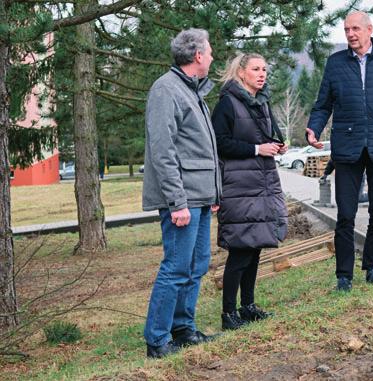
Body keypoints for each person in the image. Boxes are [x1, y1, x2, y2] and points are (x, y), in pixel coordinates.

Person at [306, 11, 373, 291]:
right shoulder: (335, 64)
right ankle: (344, 275)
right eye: (346, 30)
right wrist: (313, 129)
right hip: (347, 148)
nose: (351, 34)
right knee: (345, 214)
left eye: (355, 29)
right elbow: (322, 105)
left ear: (369, 29)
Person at [142, 29, 221, 359]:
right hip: (182, 199)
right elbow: (163, 151)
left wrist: (212, 193)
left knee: (197, 264)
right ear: (198, 56)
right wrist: (177, 202)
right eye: (210, 52)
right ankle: (157, 340)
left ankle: (183, 329)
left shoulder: (192, 91)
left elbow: (198, 148)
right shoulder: (166, 90)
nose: (213, 57)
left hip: (200, 196)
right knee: (176, 267)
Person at [211, 53, 288, 330]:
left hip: (260, 184)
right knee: (240, 250)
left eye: (264, 69)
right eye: (256, 69)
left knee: (255, 247)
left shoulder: (261, 103)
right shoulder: (227, 104)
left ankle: (248, 306)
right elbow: (219, 143)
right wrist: (257, 149)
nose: (262, 73)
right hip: (238, 187)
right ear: (241, 72)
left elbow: (262, 138)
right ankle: (228, 313)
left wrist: (276, 145)